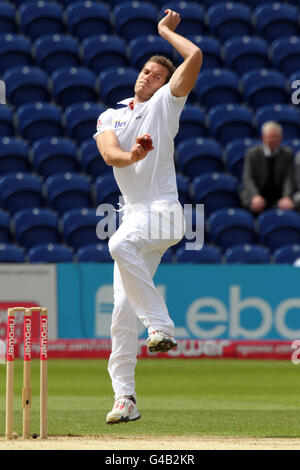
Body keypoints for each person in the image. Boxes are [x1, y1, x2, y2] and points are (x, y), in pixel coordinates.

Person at [94, 9, 202, 424]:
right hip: (134, 216)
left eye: (157, 75)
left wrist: (163, 32)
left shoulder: (165, 104)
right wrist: (132, 154)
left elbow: (194, 57)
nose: (148, 78)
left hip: (164, 212)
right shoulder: (111, 114)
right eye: (145, 71)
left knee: (118, 243)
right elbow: (109, 154)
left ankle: (162, 326)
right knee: (121, 313)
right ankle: (126, 400)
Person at [240, 121, 295, 214]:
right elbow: (247, 178)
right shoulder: (252, 153)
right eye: (269, 137)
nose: (272, 140)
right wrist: (255, 196)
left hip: (278, 193)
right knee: (249, 200)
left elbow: (288, 178)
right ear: (263, 137)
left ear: (280, 138)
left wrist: (287, 196)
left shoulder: (287, 154)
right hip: (258, 191)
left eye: (275, 137)